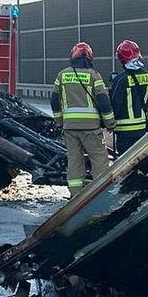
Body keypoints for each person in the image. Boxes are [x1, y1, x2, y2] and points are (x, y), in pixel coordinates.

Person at [51, 42, 115, 194]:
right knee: (99, 159)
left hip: (70, 129)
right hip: (91, 129)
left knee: (74, 161)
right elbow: (104, 102)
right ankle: (100, 193)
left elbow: (54, 100)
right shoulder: (94, 75)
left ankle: (75, 195)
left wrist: (60, 122)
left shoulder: (62, 75)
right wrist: (110, 123)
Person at [109, 39, 148, 157]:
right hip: (142, 127)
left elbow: (115, 105)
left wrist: (108, 123)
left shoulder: (120, 79)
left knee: (125, 162)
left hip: (124, 130)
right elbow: (146, 100)